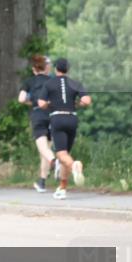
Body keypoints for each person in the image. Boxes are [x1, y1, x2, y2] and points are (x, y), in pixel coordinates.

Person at [36, 58, 92, 200]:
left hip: (57, 118)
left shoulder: (49, 83)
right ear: (68, 69)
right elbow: (86, 100)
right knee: (65, 155)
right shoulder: (75, 83)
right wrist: (77, 104)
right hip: (72, 119)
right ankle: (62, 188)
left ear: (56, 69)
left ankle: (74, 166)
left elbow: (41, 103)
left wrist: (51, 105)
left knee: (61, 155)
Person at [18, 55, 55, 192]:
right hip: (52, 115)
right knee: (46, 150)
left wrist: (32, 102)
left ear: (34, 69)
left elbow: (21, 99)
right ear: (47, 68)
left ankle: (55, 163)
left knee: (43, 149)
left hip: (38, 115)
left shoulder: (29, 82)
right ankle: (42, 182)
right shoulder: (53, 81)